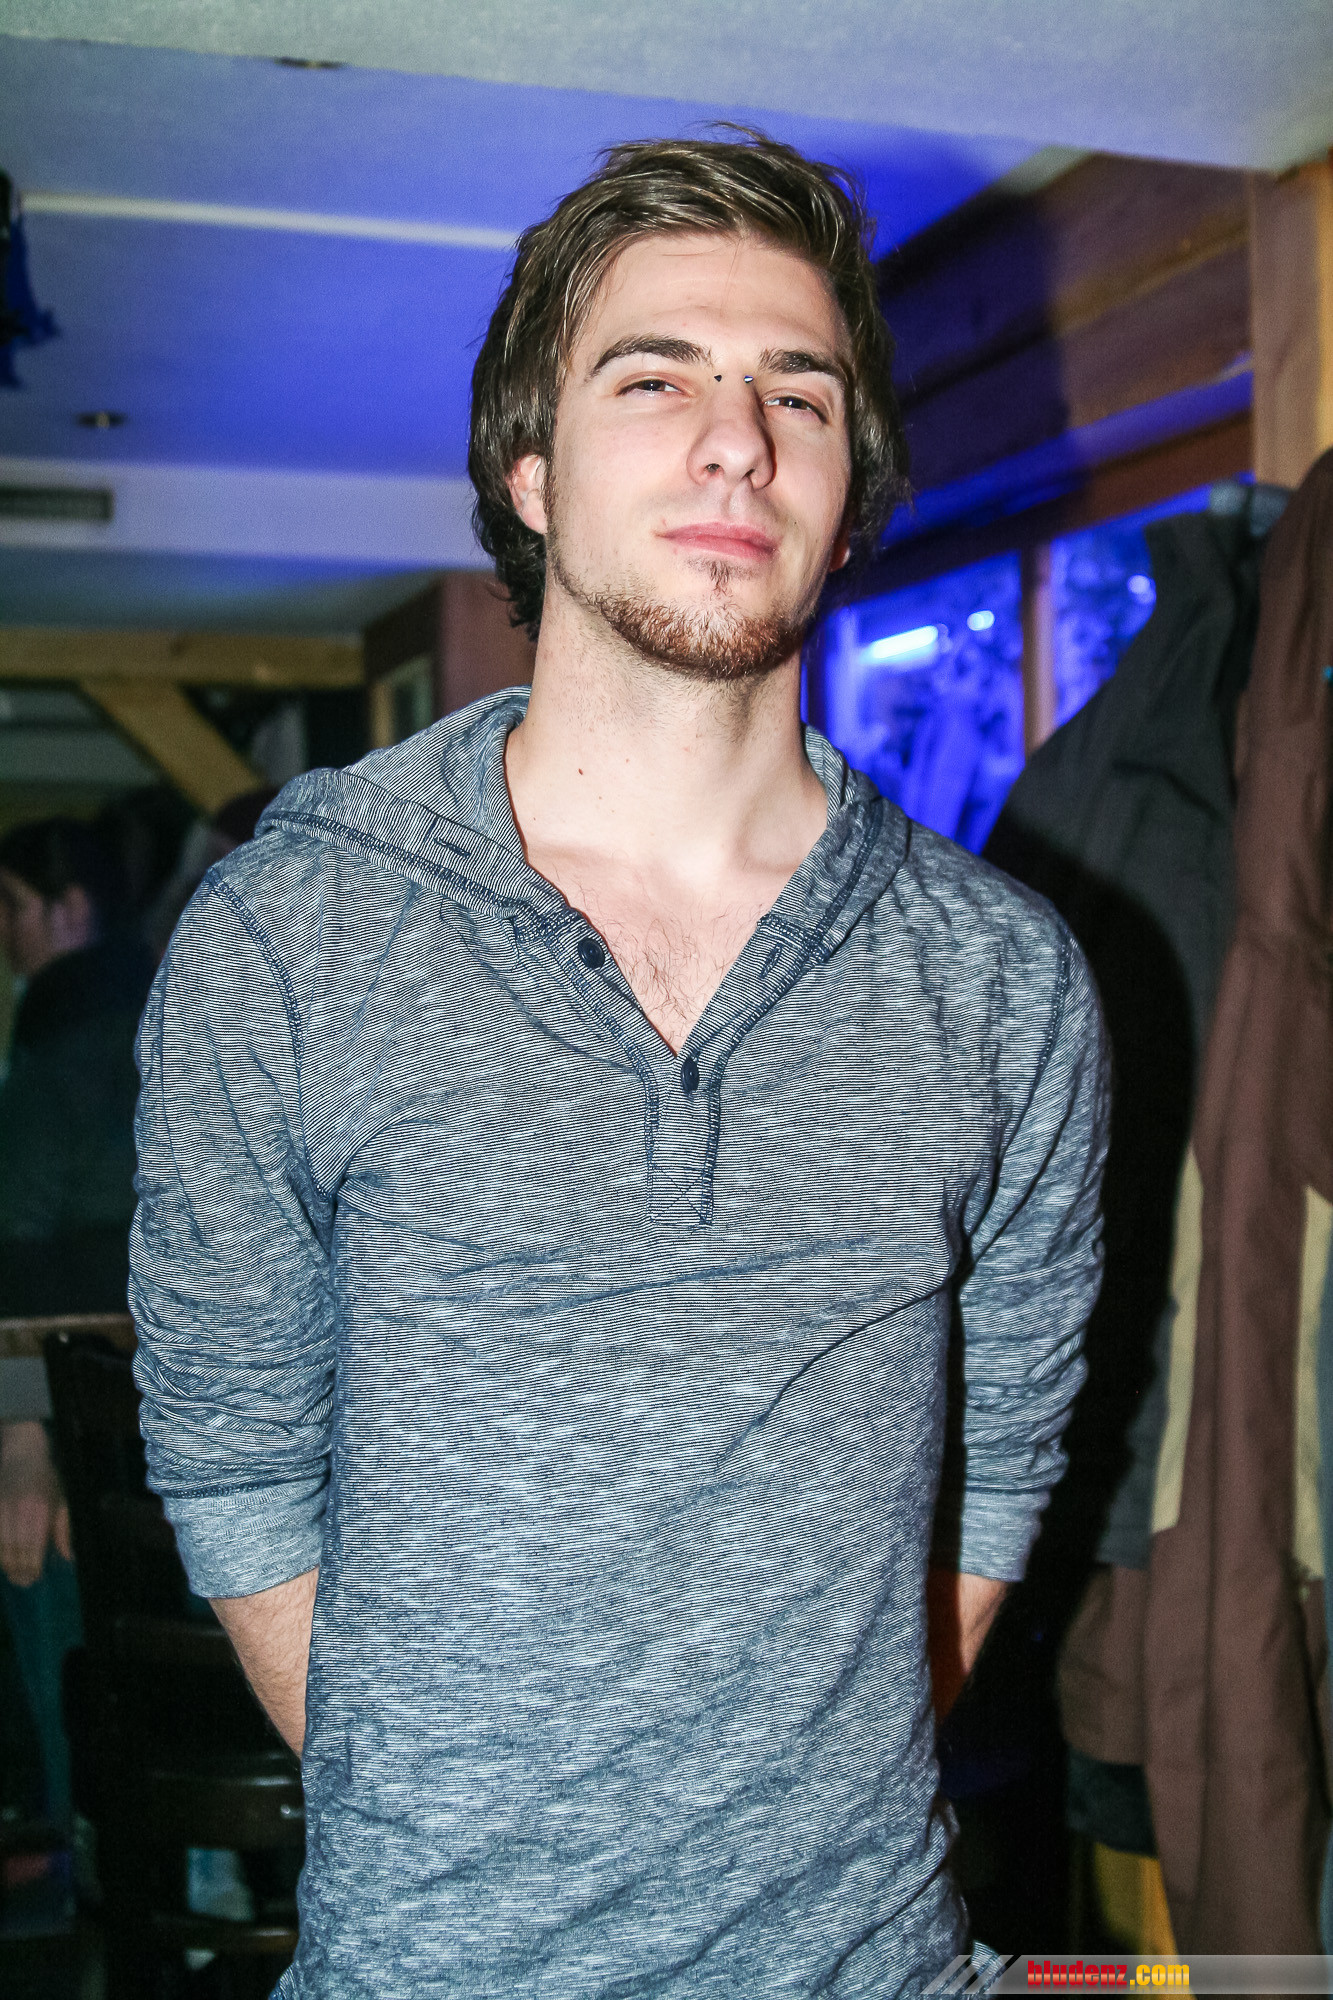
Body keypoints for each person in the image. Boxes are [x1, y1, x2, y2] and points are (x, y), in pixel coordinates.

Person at [131, 134, 1109, 1995]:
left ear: (848, 487)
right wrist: (462, 1834)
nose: (735, 441)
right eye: (654, 380)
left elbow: (1000, 1458)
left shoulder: (1002, 980)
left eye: (795, 394)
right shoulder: (291, 935)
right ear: (531, 471)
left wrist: (791, 1814)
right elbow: (234, 1448)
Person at [0, 813, 155, 1829]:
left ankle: (91, 1850)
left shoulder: (66, 1035)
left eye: (12, 907)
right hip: (204, 1425)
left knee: (81, 1666)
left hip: (87, 1425)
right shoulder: (176, 1004)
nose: (3, 932)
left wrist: (22, 1440)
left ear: (72, 907)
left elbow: (18, 1251)